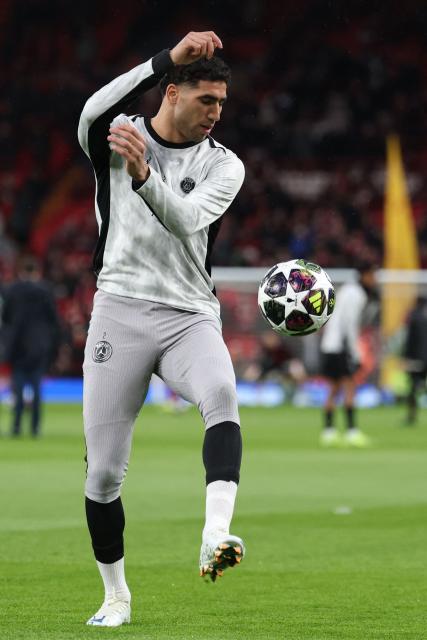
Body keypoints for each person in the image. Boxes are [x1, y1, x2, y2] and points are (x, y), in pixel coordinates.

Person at [78, 31, 245, 627]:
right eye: (207, 100)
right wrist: (164, 58)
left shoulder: (224, 165)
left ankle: (216, 534)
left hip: (188, 314)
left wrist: (146, 176)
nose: (216, 114)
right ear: (172, 92)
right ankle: (116, 594)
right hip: (119, 308)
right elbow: (91, 109)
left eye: (222, 104)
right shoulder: (118, 134)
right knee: (101, 473)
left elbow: (187, 221)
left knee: (223, 393)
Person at [319, 263, 377, 447]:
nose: (375, 280)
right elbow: (349, 324)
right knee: (350, 386)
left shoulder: (346, 290)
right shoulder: (356, 294)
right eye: (373, 275)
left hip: (330, 344)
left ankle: (328, 431)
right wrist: (356, 352)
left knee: (334, 388)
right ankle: (352, 431)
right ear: (365, 275)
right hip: (341, 346)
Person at [1, 257, 60, 436]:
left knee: (18, 388)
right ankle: (35, 428)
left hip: (18, 345)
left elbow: (6, 318)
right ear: (36, 271)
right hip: (39, 346)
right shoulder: (45, 290)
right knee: (36, 387)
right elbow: (53, 321)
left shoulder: (11, 290)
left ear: (21, 271)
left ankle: (17, 427)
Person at [403, 296, 427, 425]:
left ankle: (411, 416)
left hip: (416, 359)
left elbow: (410, 341)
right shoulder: (424, 318)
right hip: (425, 358)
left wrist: (407, 357)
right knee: (420, 386)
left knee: (413, 387)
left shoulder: (413, 318)